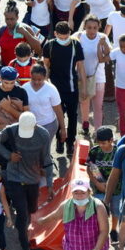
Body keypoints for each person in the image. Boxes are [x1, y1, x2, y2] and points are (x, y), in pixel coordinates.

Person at [0, 113, 54, 250]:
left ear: (34, 125)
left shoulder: (43, 135)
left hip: (33, 179)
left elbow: (46, 159)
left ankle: (23, 229)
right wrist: (8, 155)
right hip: (14, 178)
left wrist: (50, 184)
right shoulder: (11, 130)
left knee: (30, 211)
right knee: (21, 213)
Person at [36, 178, 109, 250]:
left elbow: (104, 231)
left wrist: (97, 248)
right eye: (76, 192)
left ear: (89, 192)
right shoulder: (66, 206)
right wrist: (41, 221)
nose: (79, 196)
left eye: (83, 192)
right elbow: (54, 216)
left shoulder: (98, 206)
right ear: (72, 193)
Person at [42, 21, 86, 155]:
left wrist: (83, 87)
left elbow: (80, 68)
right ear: (55, 34)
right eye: (60, 37)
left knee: (73, 117)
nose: (63, 40)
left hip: (72, 88)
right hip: (55, 89)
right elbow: (45, 67)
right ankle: (60, 141)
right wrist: (45, 85)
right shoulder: (49, 45)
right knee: (57, 116)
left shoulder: (75, 45)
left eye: (65, 37)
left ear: (69, 34)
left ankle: (70, 143)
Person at [87, 126, 122, 238]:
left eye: (104, 143)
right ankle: (102, 231)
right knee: (100, 211)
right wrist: (97, 184)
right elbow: (90, 168)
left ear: (111, 140)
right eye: (99, 143)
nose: (101, 145)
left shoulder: (119, 152)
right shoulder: (94, 151)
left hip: (117, 189)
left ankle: (113, 230)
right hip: (100, 188)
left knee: (116, 211)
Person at [77, 15, 111, 129]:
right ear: (84, 27)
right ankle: (85, 124)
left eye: (95, 28)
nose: (92, 30)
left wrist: (103, 43)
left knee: (98, 106)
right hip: (83, 77)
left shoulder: (103, 37)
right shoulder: (79, 36)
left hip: (99, 78)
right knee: (84, 103)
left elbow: (108, 54)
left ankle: (98, 132)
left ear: (99, 27)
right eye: (89, 27)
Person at [0, 0, 43, 67]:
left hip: (24, 68)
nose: (9, 22)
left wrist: (25, 33)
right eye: (7, 19)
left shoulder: (26, 29)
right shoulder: (0, 31)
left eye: (12, 19)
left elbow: (38, 49)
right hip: (5, 68)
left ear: (17, 17)